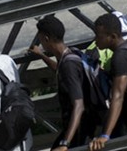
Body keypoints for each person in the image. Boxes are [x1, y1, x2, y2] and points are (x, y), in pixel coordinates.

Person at [36, 15, 100, 151]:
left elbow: (79, 105)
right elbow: (60, 71)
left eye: (41, 39)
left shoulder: (68, 65)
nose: (41, 43)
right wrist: (42, 55)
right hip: (80, 126)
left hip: (78, 129)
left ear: (46, 39)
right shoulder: (71, 53)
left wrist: (65, 143)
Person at [88, 14, 127, 151]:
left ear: (113, 36)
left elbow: (118, 96)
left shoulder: (120, 57)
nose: (96, 40)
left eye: (99, 36)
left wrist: (105, 135)